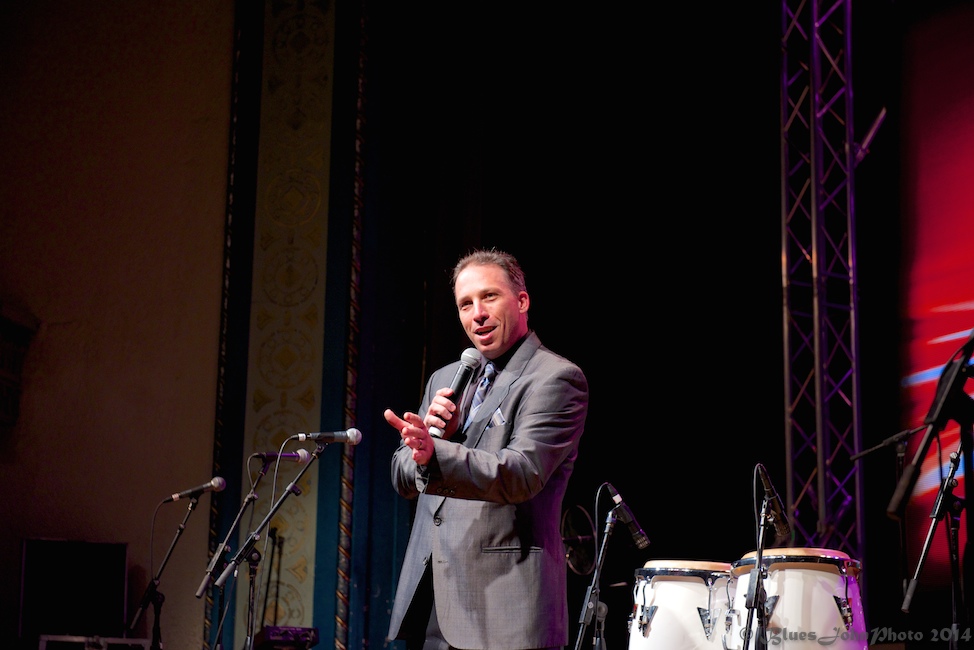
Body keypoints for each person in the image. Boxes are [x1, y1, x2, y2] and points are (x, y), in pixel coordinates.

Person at [383, 248, 589, 650]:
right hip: (433, 602)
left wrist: (436, 452)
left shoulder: (556, 378)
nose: (476, 313)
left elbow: (521, 474)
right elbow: (404, 476)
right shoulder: (447, 378)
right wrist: (432, 442)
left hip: (504, 609)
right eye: (465, 304)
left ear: (523, 301)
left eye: (489, 297)